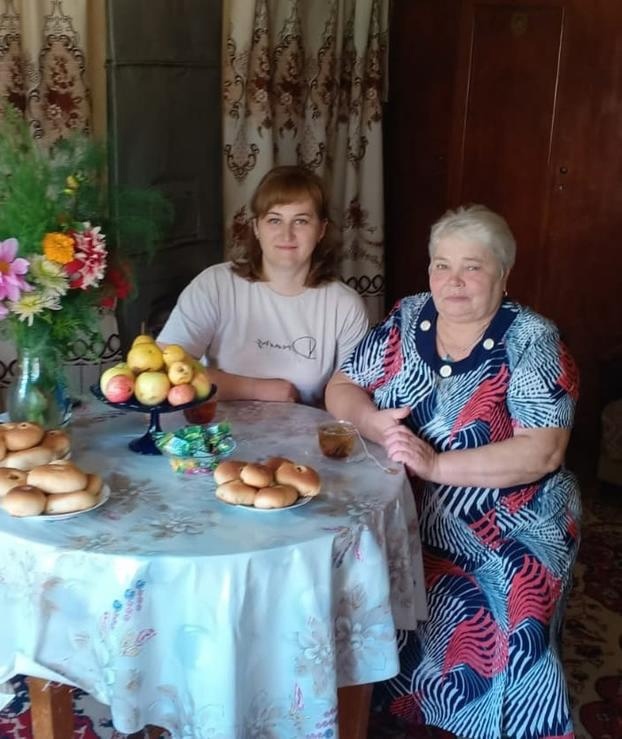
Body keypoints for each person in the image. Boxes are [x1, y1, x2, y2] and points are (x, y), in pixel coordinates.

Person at [325, 204, 581, 739]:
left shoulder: (533, 340)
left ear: (503, 273)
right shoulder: (407, 317)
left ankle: (508, 722)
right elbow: (342, 387)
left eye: (472, 267)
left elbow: (542, 451)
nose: (453, 281)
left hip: (510, 515)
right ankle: (371, 707)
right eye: (441, 265)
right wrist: (373, 422)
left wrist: (437, 463)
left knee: (513, 589)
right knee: (343, 563)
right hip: (402, 503)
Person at [157, 165, 369, 406]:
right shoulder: (214, 285)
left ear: (321, 230)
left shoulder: (345, 305)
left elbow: (353, 392)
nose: (287, 235)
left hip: (305, 429)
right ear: (256, 227)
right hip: (215, 428)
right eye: (274, 220)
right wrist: (258, 389)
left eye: (301, 221)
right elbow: (165, 370)